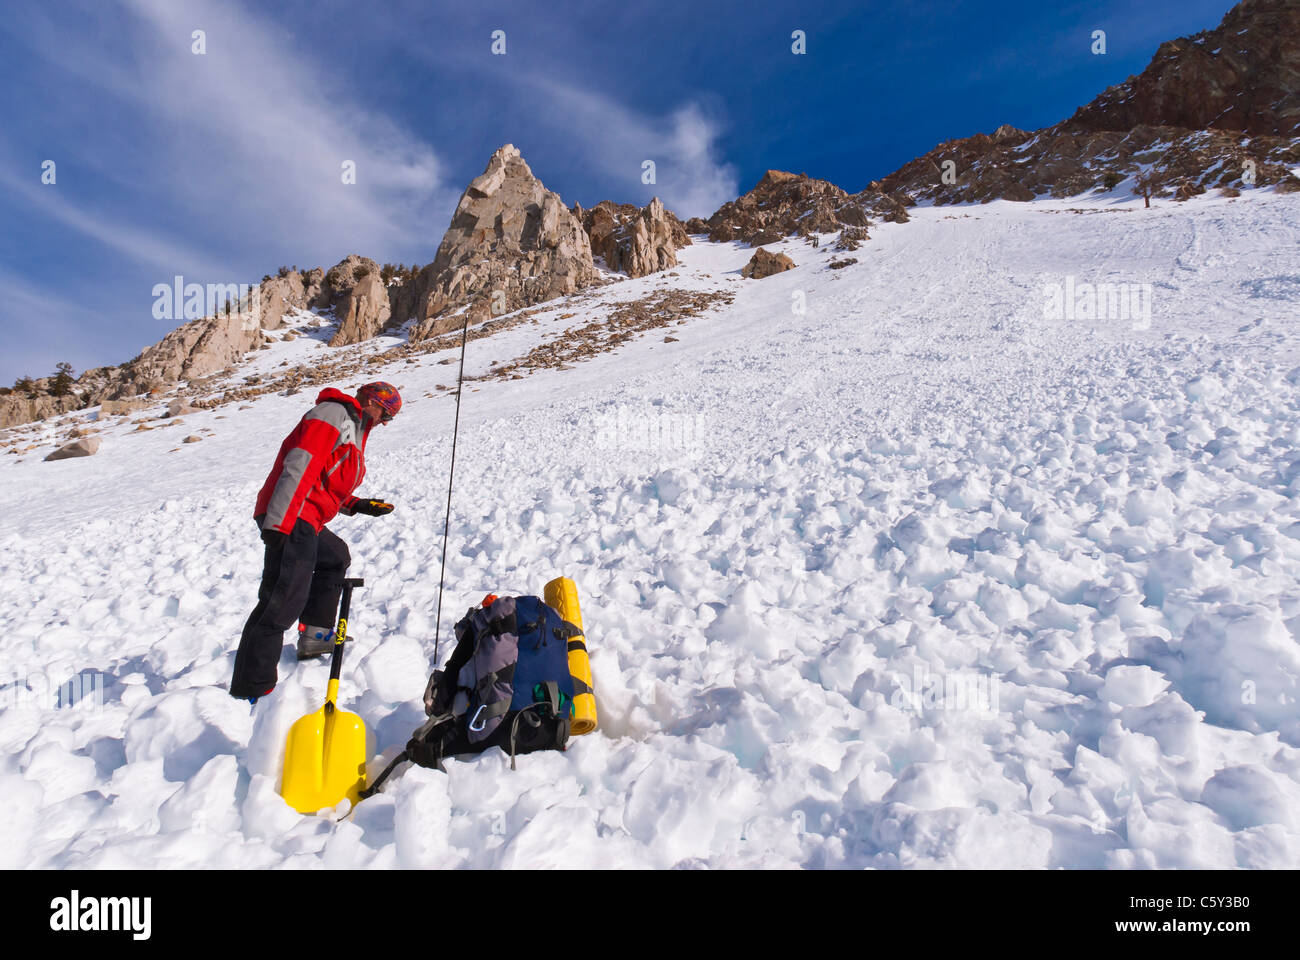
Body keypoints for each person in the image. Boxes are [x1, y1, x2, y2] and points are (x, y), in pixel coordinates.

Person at [229, 381, 402, 703]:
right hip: (291, 515)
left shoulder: (351, 427)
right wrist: (279, 523)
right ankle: (252, 689)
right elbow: (302, 465)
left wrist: (356, 504)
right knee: (280, 603)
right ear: (371, 403)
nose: (386, 422)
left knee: (335, 557)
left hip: (304, 515)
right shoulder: (333, 414)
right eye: (387, 414)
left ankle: (316, 635)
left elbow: (326, 480)